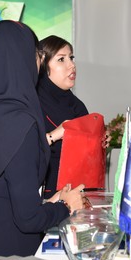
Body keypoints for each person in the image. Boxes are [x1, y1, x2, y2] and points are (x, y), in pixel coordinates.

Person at [0, 20, 85, 260]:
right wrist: (66, 206)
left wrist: (52, 203)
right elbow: (28, 219)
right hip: (7, 259)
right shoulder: (20, 123)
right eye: (36, 55)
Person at [36, 35, 89, 197]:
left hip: (76, 192)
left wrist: (98, 144)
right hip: (40, 196)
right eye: (61, 59)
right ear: (43, 65)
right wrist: (54, 135)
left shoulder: (77, 106)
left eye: (71, 58)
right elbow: (20, 153)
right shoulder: (31, 103)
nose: (72, 65)